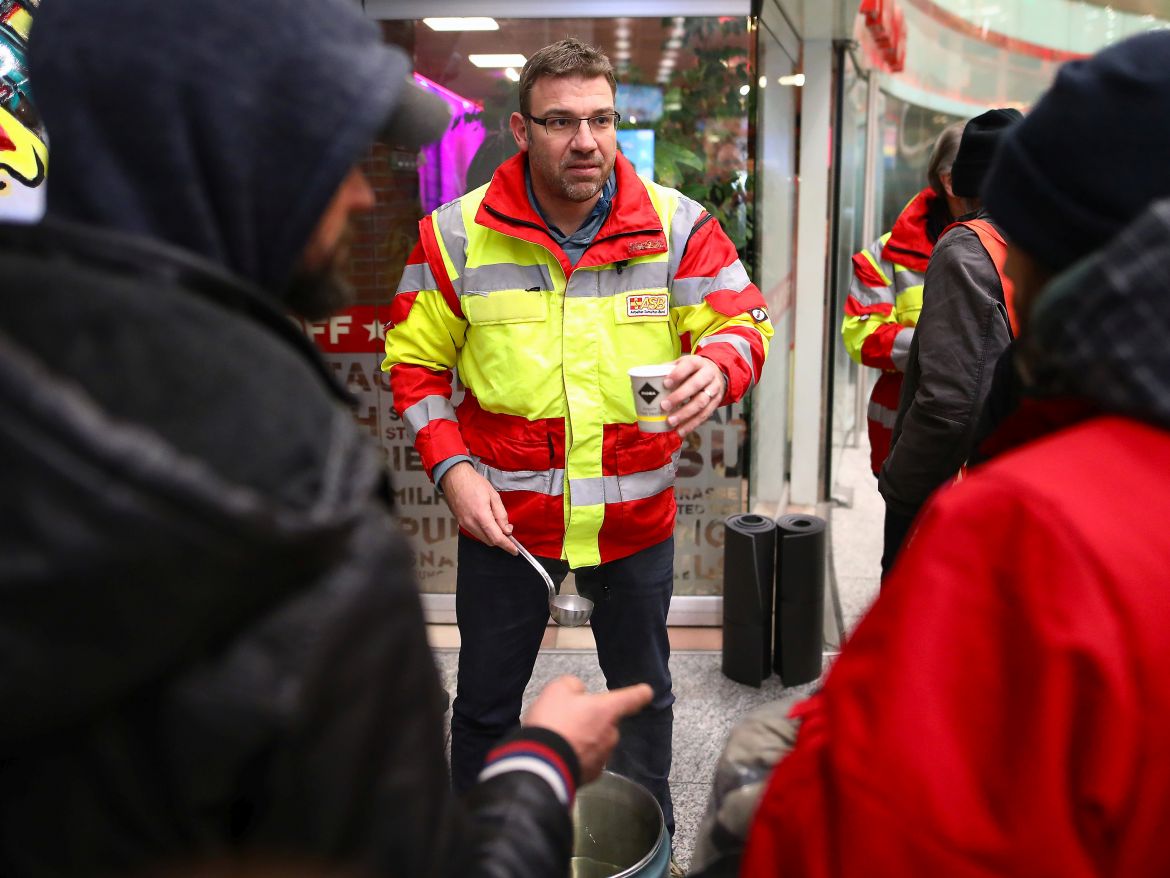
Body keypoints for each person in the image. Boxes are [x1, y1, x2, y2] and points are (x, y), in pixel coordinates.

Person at [0, 2, 654, 876]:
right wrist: (545, 763)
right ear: (238, 157)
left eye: (602, 120)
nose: (358, 193)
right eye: (334, 158)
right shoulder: (295, 498)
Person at [700, 31, 1170, 876]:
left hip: (932, 463)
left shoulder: (1023, 527)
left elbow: (882, 831)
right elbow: (861, 331)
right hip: (907, 430)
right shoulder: (888, 253)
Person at [382, 37, 772, 848]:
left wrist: (721, 365)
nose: (587, 140)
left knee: (643, 698)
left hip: (634, 529)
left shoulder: (677, 226)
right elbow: (414, 366)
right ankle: (477, 854)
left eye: (600, 119)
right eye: (562, 121)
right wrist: (452, 471)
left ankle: (647, 847)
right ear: (521, 131)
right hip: (506, 528)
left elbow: (743, 317)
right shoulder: (455, 236)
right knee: (486, 706)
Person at [877, 108, 1022, 575]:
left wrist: (900, 489)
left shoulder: (967, 248)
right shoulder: (1049, 238)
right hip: (1026, 481)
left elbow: (951, 406)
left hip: (963, 484)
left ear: (955, 185)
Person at [841, 121, 964, 478]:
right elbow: (861, 337)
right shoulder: (887, 253)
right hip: (906, 448)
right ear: (950, 181)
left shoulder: (1013, 247)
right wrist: (946, 346)